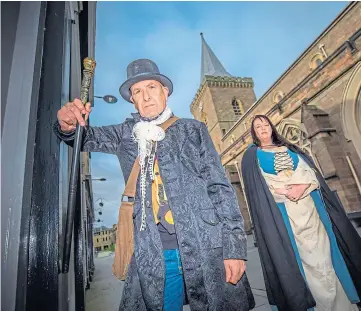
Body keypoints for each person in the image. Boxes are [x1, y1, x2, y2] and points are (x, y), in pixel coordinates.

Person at [53, 59, 255, 311]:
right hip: (158, 252)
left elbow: (219, 187)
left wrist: (234, 248)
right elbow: (83, 137)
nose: (146, 96)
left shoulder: (193, 130)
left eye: (152, 87)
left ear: (165, 92)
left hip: (208, 246)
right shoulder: (124, 134)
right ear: (132, 100)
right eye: (137, 91)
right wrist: (67, 124)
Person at [241, 114, 361, 311]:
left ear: (272, 127)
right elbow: (259, 189)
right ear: (253, 132)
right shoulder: (252, 156)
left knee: (325, 260)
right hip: (284, 216)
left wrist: (301, 186)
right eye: (257, 126)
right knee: (303, 264)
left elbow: (311, 174)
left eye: (266, 124)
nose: (263, 128)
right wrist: (286, 190)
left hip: (311, 212)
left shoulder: (291, 150)